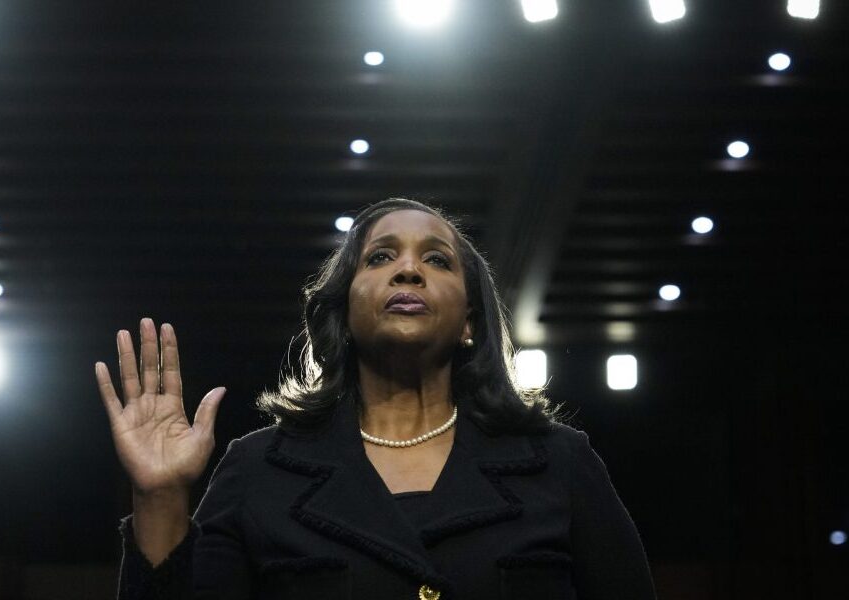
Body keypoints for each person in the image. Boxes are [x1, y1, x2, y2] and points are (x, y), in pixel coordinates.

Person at [95, 197, 658, 599]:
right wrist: (160, 498)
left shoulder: (559, 462)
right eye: (380, 257)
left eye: (437, 260)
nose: (408, 269)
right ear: (344, 313)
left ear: (469, 322)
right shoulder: (258, 469)